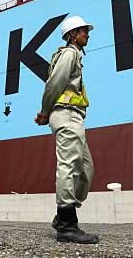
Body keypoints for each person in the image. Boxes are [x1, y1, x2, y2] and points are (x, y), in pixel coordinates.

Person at [34, 15, 99, 244]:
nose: (87, 34)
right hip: (66, 115)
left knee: (86, 169)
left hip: (74, 117)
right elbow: (54, 84)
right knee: (69, 166)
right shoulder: (69, 54)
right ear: (72, 35)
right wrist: (44, 112)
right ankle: (67, 225)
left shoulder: (76, 56)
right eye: (83, 31)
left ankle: (62, 214)